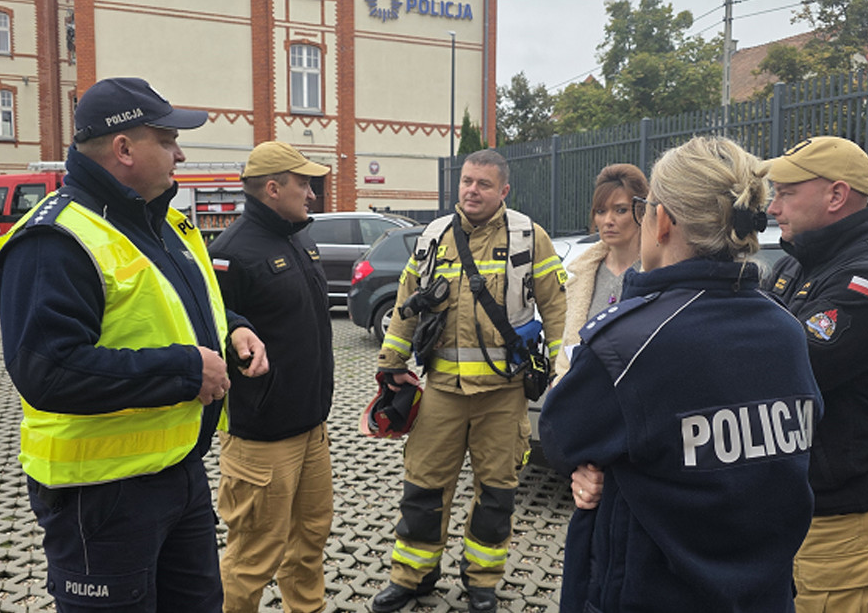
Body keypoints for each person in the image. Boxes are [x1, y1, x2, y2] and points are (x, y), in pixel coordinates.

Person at [0, 77, 267, 613]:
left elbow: (182, 306)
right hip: (102, 495)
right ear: (124, 149)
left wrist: (233, 328)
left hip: (176, 471)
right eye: (167, 139)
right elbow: (47, 369)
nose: (180, 152)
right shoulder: (56, 240)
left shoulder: (163, 224)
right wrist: (187, 371)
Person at [538, 136, 823, 612]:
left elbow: (562, 435)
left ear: (662, 219)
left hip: (651, 590)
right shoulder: (784, 328)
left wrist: (607, 465)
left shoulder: (630, 343)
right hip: (763, 593)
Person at [371, 149, 567, 613]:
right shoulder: (435, 237)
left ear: (504, 191)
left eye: (483, 184)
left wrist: (561, 374)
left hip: (503, 395)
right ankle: (412, 575)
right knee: (423, 486)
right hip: (441, 390)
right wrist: (391, 361)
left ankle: (481, 580)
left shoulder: (528, 236)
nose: (471, 191)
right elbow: (406, 302)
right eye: (466, 182)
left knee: (496, 491)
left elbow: (557, 308)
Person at [762, 136, 868, 613]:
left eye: (786, 193)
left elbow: (782, 370)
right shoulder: (796, 264)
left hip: (837, 513)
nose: (772, 208)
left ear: (835, 195)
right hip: (793, 501)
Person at [207, 141, 334, 613]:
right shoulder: (229, 251)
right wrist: (235, 329)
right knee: (252, 558)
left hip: (311, 430)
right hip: (261, 441)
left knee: (309, 544)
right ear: (273, 188)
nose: (312, 194)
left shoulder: (300, 237)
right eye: (304, 184)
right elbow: (211, 322)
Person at [553, 163, 647, 383]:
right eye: (601, 211)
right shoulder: (583, 273)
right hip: (585, 403)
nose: (607, 221)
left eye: (620, 210)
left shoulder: (655, 272)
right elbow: (568, 349)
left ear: (642, 212)